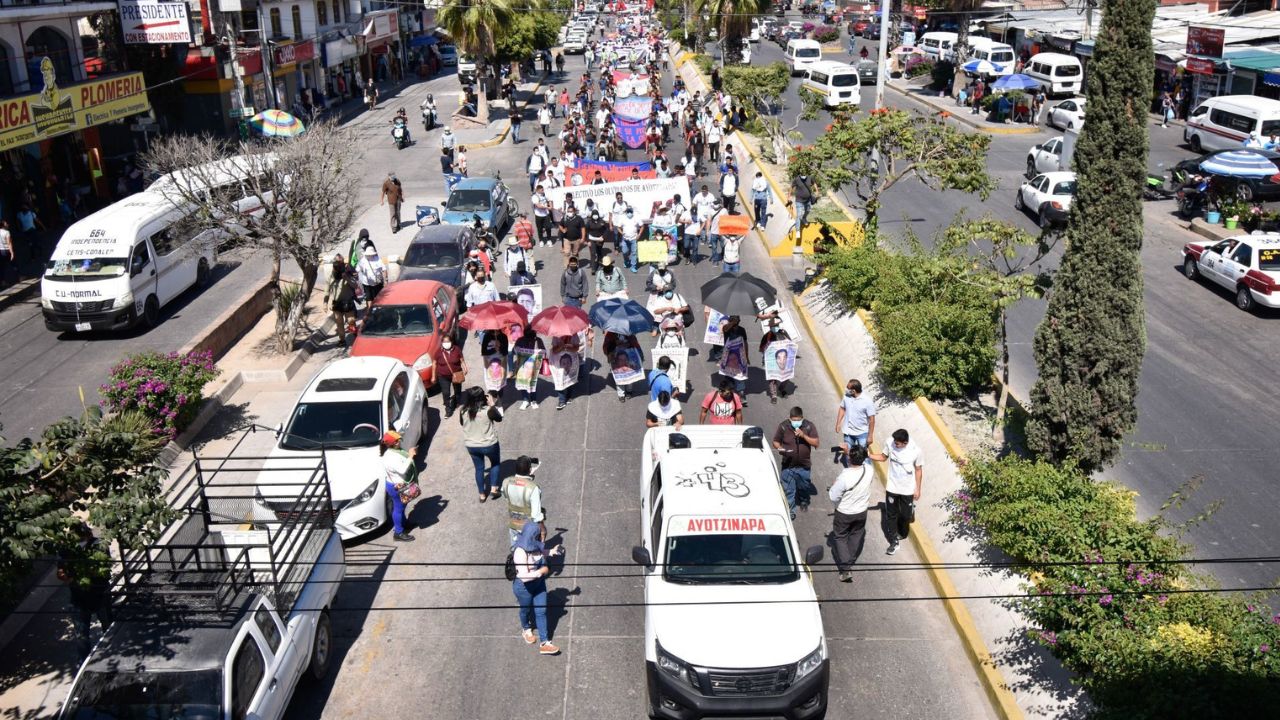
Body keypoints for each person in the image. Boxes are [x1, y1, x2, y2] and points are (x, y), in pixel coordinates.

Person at [58, 524, 113, 660]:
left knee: (109, 628)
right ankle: (84, 663)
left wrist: (80, 572)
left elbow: (104, 568)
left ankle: (111, 656)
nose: (84, 539)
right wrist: (67, 577)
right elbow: (60, 571)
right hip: (79, 599)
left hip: (100, 595)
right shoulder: (67, 549)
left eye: (85, 535)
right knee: (81, 636)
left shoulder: (99, 545)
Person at [867, 429, 923, 555]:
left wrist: (918, 489)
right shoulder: (890, 443)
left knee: (905, 515)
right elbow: (883, 457)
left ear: (905, 443)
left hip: (907, 488)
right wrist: (869, 455)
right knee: (891, 514)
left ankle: (909, 512)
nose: (895, 444)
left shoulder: (916, 451)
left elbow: (918, 470)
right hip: (892, 487)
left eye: (897, 443)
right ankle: (893, 541)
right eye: (894, 442)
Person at [511, 522, 561, 656]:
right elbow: (524, 577)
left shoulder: (535, 546)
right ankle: (526, 629)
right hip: (524, 587)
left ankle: (545, 643)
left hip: (539, 584)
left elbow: (540, 552)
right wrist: (542, 571)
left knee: (541, 611)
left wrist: (551, 551)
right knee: (525, 609)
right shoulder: (519, 552)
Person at [828, 444, 873, 583]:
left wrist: (834, 484)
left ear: (849, 459)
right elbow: (863, 460)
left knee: (840, 537)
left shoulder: (845, 476)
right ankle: (850, 559)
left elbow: (833, 497)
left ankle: (846, 568)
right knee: (856, 535)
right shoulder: (869, 470)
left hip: (844, 513)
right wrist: (851, 452)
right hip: (861, 512)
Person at [772, 407, 819, 519]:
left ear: (802, 418)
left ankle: (803, 500)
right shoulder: (783, 426)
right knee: (789, 490)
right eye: (794, 420)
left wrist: (804, 436)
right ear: (790, 418)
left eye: (798, 420)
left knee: (804, 486)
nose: (796, 422)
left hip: (804, 466)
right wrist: (780, 448)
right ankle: (791, 510)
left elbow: (816, 443)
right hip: (788, 465)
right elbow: (775, 441)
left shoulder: (808, 426)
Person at [460, 387, 505, 502]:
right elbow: (499, 418)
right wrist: (492, 404)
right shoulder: (488, 411)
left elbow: (462, 423)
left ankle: (482, 495)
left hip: (471, 445)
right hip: (489, 444)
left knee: (479, 468)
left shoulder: (463, 411)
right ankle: (494, 489)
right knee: (495, 463)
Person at [380, 431, 418, 542]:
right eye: (396, 440)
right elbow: (402, 470)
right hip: (397, 486)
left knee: (402, 507)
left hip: (395, 484)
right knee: (398, 509)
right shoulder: (390, 457)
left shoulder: (392, 452)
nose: (399, 442)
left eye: (398, 439)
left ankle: (404, 523)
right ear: (393, 443)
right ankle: (398, 532)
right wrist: (410, 456)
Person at [502, 456, 544, 547]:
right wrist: (543, 530)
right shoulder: (533, 488)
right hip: (528, 527)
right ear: (529, 470)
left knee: (515, 550)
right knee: (531, 552)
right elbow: (536, 516)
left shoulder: (506, 482)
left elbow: (505, 496)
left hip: (514, 523)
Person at [323, 254, 359, 346]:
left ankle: (354, 336)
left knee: (351, 321)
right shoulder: (331, 276)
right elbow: (327, 290)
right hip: (337, 304)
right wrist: (325, 303)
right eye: (337, 264)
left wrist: (346, 277)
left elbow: (355, 285)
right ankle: (342, 340)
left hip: (347, 302)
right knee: (339, 324)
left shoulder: (347, 272)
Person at [835, 378, 877, 450]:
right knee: (848, 454)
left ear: (853, 391)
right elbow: (842, 408)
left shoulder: (867, 401)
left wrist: (870, 436)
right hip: (848, 433)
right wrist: (838, 423)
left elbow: (872, 420)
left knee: (862, 456)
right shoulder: (846, 396)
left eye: (848, 388)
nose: (846, 389)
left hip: (862, 434)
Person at [433, 334, 466, 418]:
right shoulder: (439, 352)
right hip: (443, 376)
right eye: (444, 342)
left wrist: (465, 367)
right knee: (446, 392)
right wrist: (433, 376)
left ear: (451, 342)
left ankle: (457, 401)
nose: (446, 343)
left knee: (457, 390)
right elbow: (434, 363)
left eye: (448, 341)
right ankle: (448, 409)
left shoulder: (457, 349)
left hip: (456, 374)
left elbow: (461, 359)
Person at [603, 331, 642, 401]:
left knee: (630, 374)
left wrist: (640, 355)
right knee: (619, 377)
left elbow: (635, 344)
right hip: (616, 358)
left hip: (628, 357)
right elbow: (606, 346)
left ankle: (629, 390)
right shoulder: (610, 334)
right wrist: (615, 343)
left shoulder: (629, 332)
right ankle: (621, 394)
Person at [512, 330, 546, 409]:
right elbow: (515, 350)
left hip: (533, 367)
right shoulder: (520, 340)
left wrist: (538, 352)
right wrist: (518, 349)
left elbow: (543, 351)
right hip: (522, 366)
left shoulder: (538, 340)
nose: (529, 340)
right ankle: (525, 400)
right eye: (527, 337)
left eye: (531, 338)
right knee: (522, 381)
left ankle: (533, 400)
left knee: (532, 383)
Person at [760, 321, 791, 404]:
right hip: (772, 361)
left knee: (786, 376)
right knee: (772, 379)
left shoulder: (784, 333)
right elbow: (762, 348)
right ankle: (774, 395)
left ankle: (781, 388)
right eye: (774, 326)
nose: (775, 327)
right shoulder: (767, 336)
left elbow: (790, 344)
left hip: (783, 359)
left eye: (776, 325)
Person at [617, 207, 645, 273]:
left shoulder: (636, 218)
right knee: (624, 252)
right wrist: (621, 232)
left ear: (632, 212)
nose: (629, 213)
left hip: (633, 239)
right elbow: (618, 227)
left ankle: (633, 266)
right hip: (625, 239)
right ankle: (626, 261)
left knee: (634, 253)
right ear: (626, 212)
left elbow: (642, 226)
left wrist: (639, 235)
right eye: (628, 212)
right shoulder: (622, 219)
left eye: (630, 212)